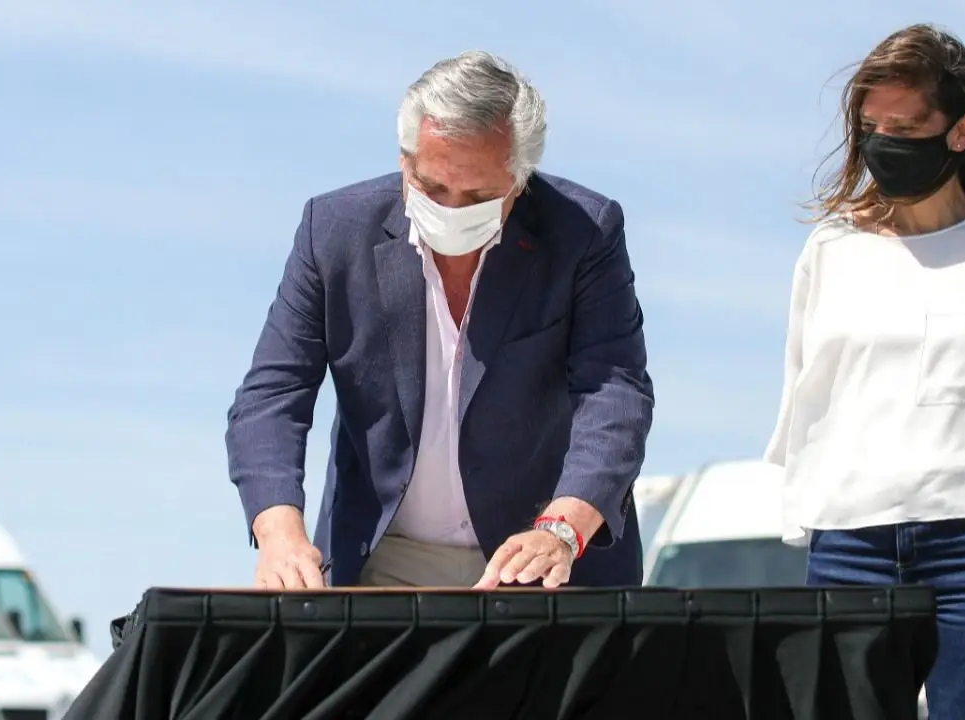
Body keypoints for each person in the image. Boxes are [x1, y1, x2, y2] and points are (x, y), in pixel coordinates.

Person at [225, 51, 654, 591]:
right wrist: (279, 532)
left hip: (544, 559)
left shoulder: (584, 234)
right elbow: (272, 394)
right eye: (432, 188)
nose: (452, 210)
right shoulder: (332, 232)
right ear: (405, 159)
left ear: (521, 179)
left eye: (478, 197)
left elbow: (615, 393)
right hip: (383, 558)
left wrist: (563, 528)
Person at [764, 24, 965, 719]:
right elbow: (805, 398)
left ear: (962, 131)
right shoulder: (830, 250)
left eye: (904, 127)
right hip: (847, 550)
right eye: (871, 128)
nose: (882, 144)